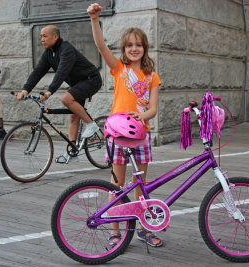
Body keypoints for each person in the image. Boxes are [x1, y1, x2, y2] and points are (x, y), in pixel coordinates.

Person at [87, 3, 162, 247]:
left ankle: (143, 227)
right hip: (118, 136)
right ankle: (115, 229)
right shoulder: (119, 69)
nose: (134, 49)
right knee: (117, 185)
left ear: (145, 48)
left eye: (138, 45)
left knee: (141, 185)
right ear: (124, 48)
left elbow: (152, 108)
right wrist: (95, 19)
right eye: (129, 45)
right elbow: (100, 45)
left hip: (142, 135)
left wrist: (144, 116)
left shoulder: (152, 75)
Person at [17, 24, 102, 164]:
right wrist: (25, 90)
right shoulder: (49, 53)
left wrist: (49, 92)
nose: (42, 40)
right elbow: (38, 71)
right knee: (74, 117)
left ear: (55, 36)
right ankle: (72, 153)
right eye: (41, 37)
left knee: (66, 98)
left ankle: (91, 125)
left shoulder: (66, 49)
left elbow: (62, 72)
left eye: (45, 36)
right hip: (78, 84)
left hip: (91, 80)